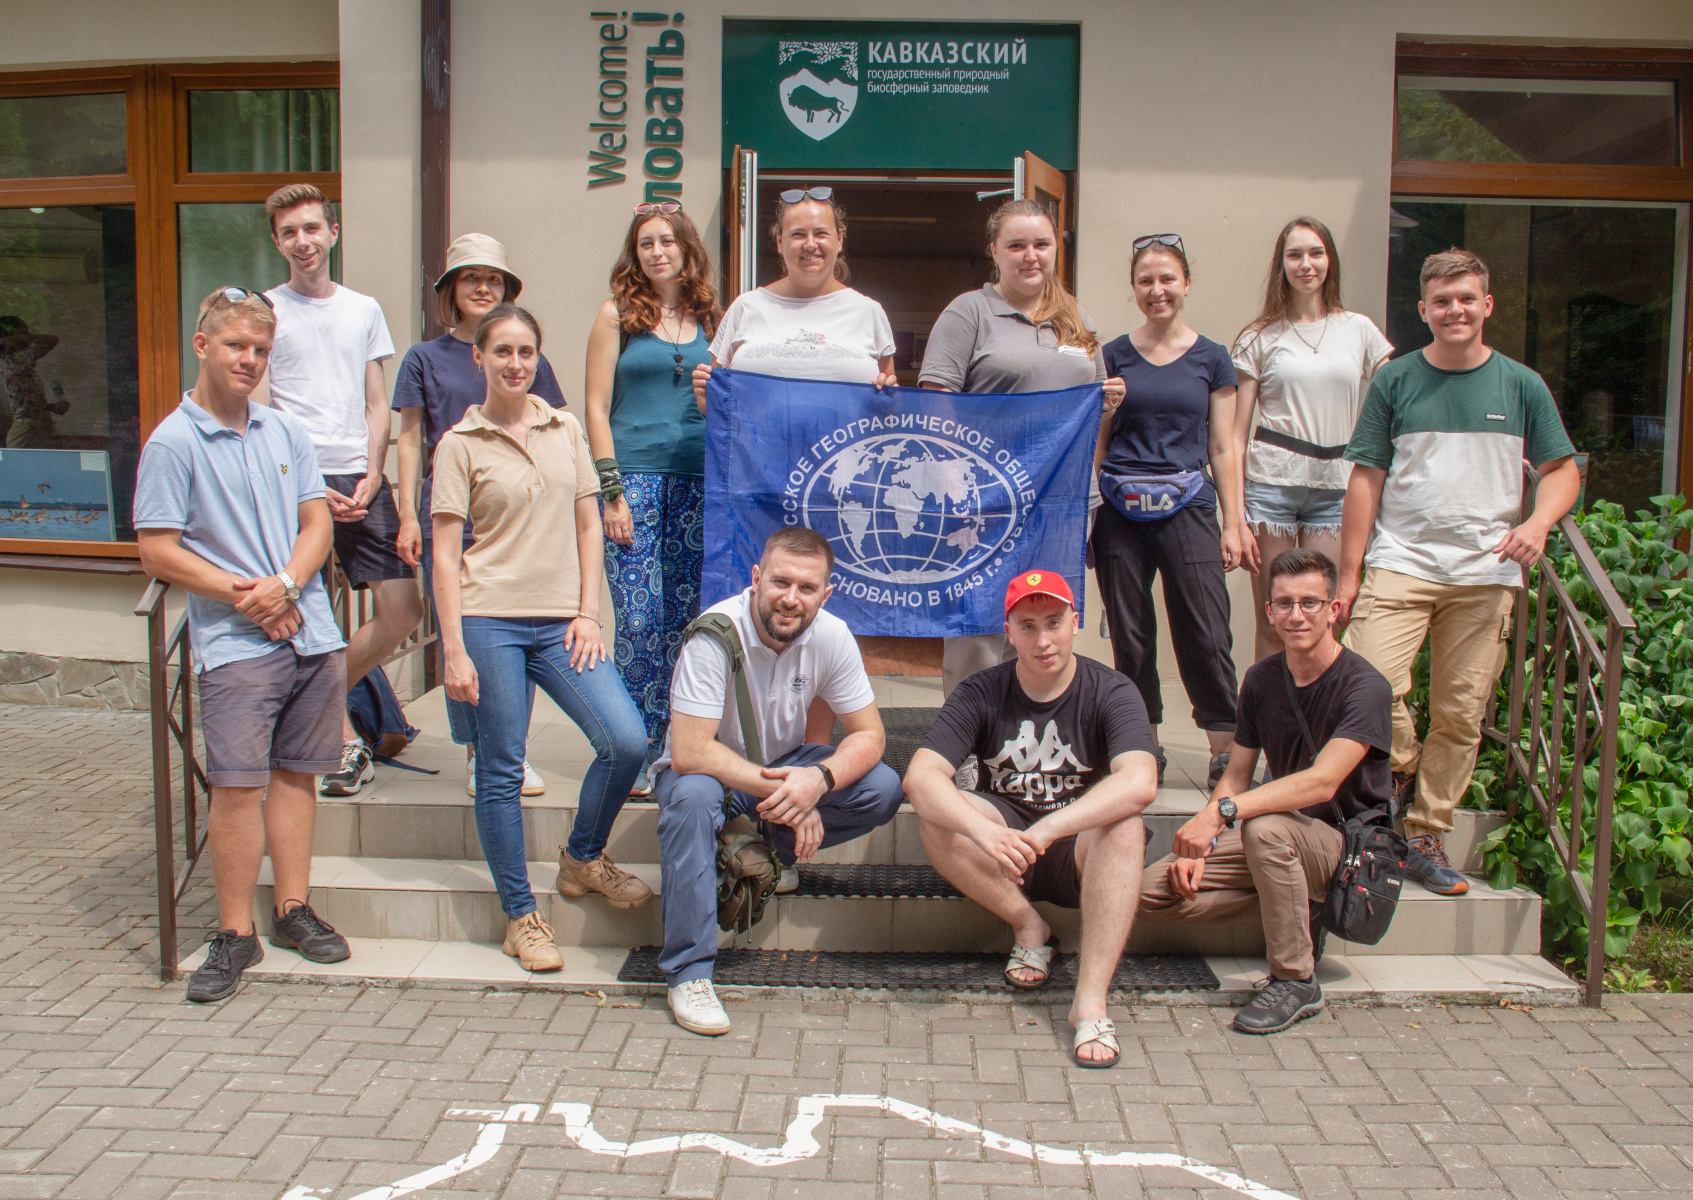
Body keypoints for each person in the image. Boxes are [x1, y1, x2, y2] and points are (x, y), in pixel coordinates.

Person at [1339, 247, 1580, 895]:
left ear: (1487, 305)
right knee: (1369, 682)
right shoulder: (1396, 380)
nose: (1455, 310)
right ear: (1423, 309)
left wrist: (1538, 523)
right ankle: (1400, 767)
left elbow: (1562, 471)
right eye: (1442, 301)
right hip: (1401, 560)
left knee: (1461, 712)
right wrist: (1349, 574)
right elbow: (1366, 477)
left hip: (1485, 572)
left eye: (1466, 299)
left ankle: (1425, 831)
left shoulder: (1521, 385)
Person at [135, 286, 352, 1003]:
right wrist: (247, 597)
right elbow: (158, 550)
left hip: (311, 632)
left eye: (261, 349)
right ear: (203, 346)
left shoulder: (285, 431)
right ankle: (235, 933)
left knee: (296, 776)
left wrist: (285, 587)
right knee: (236, 787)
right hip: (235, 644)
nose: (250, 360)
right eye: (237, 346)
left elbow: (317, 524)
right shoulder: (172, 442)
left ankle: (293, 909)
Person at [431, 304, 651, 973]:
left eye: (526, 351)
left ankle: (582, 858)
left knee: (626, 740)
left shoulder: (566, 428)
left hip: (562, 623)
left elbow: (589, 525)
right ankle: (520, 916)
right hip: (489, 620)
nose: (516, 363)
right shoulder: (459, 443)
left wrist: (588, 613)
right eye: (502, 351)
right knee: (501, 770)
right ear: (479, 357)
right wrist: (453, 648)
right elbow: (444, 555)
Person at [654, 528, 905, 1037]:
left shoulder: (832, 635)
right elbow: (690, 751)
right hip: (709, 775)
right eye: (780, 582)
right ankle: (689, 972)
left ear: (825, 594)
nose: (791, 598)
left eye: (807, 588)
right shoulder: (714, 635)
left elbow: (870, 736)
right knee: (694, 798)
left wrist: (819, 778)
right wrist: (791, 792)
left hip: (782, 765)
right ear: (756, 578)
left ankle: (773, 854)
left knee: (882, 787)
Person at [905, 570, 1158, 1068]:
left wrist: (1049, 829)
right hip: (1002, 847)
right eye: (1028, 627)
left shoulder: (1112, 689)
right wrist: (984, 831)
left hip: (1075, 845)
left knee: (1126, 822)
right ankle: (1028, 926)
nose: (1043, 641)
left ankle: (1090, 1003)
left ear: (1075, 622)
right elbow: (920, 777)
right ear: (1009, 632)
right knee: (938, 816)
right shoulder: (981, 690)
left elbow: (1141, 781)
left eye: (1054, 623)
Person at [1139, 548, 1394, 1035]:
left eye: (1310, 603)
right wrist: (1204, 840)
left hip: (1343, 847)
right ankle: (1296, 906)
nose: (1296, 615)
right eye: (1284, 604)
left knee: (1266, 828)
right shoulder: (1260, 679)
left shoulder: (1365, 686)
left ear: (1333, 610)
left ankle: (1296, 979)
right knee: (1151, 892)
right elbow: (1236, 774)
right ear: (1269, 611)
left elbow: (1322, 781)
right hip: (1278, 839)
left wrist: (1223, 813)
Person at [918, 199, 1125, 701]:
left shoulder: (1075, 316)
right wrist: (952, 483)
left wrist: (1109, 401)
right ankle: (969, 730)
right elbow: (936, 398)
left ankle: (1030, 729)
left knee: (1044, 614)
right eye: (1017, 245)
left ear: (1055, 250)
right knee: (979, 622)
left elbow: (1092, 405)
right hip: (986, 498)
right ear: (994, 251)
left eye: (1041, 244)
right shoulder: (969, 311)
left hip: (1060, 500)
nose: (1030, 255)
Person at [257, 184, 421, 798]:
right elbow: (262, 407)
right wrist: (303, 482)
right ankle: (344, 744)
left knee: (404, 609)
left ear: (333, 232)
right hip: (294, 481)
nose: (302, 241)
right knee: (309, 616)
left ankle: (318, 702)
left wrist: (375, 471)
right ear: (278, 242)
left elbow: (377, 402)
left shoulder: (363, 308)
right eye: (289, 232)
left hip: (360, 477)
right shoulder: (266, 310)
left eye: (312, 229)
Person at [393, 233, 568, 800]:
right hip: (451, 516)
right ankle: (478, 753)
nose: (483, 287)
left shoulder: (526, 355)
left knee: (516, 632)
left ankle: (512, 749)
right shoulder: (424, 358)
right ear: (451, 289)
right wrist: (407, 514)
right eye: (471, 277)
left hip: (514, 518)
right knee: (463, 637)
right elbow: (410, 438)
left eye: (493, 278)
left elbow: (554, 432)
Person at [1094, 233, 1244, 786]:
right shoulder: (1111, 355)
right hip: (1119, 511)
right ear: (1134, 288)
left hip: (1190, 507)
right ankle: (1143, 747)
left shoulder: (1213, 358)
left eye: (1167, 279)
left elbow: (1224, 446)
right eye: (1145, 281)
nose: (1156, 290)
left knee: (1206, 631)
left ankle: (1225, 752)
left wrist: (1234, 523)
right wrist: (1091, 509)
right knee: (1131, 636)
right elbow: (1098, 442)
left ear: (1186, 283)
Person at [583, 203, 723, 794]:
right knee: (639, 620)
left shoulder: (715, 319)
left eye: (667, 241)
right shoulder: (616, 314)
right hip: (633, 483)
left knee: (688, 621)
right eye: (645, 243)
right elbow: (595, 408)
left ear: (688, 248)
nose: (657, 252)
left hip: (699, 482)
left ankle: (679, 743)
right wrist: (611, 491)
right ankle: (633, 746)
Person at [1232, 217, 1393, 663]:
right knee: (1275, 620)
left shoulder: (1358, 328)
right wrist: (1236, 513)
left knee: (1323, 618)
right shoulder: (1259, 336)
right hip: (1271, 489)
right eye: (1295, 255)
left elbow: (1395, 396)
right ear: (1281, 264)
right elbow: (1236, 435)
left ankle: (1318, 707)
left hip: (1336, 488)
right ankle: (1267, 708)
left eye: (1316, 253)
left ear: (1329, 261)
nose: (1306, 264)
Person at [692, 187, 895, 398]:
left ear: (839, 239)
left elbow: (890, 403)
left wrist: (891, 393)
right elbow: (715, 404)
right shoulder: (745, 307)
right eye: (798, 234)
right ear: (780, 242)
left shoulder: (870, 312)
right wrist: (705, 393)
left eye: (821, 233)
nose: (810, 244)